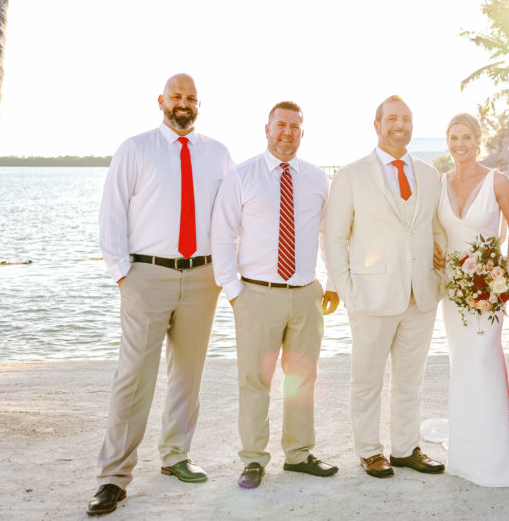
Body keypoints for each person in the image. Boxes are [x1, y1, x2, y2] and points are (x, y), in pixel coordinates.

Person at [89, 74, 233, 516]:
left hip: (202, 275)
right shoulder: (135, 149)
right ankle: (113, 476)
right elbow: (112, 212)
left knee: (187, 374)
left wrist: (227, 273)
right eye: (176, 96)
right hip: (147, 276)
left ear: (198, 104)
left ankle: (175, 456)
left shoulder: (218, 153)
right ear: (162, 101)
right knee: (134, 378)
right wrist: (121, 274)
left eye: (191, 98)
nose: (183, 103)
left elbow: (229, 217)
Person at [210, 101, 342, 490]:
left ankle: (299, 454)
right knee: (255, 379)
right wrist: (233, 291)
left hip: (306, 295)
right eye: (281, 125)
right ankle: (253, 459)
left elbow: (327, 234)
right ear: (267, 128)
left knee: (302, 377)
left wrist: (332, 282)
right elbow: (222, 234)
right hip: (256, 294)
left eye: (295, 127)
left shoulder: (318, 178)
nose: (288, 132)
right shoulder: (242, 176)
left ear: (303, 132)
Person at [325, 95, 447, 479]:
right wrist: (347, 290)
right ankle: (368, 450)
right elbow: (334, 237)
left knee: (411, 379)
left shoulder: (429, 175)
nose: (401, 125)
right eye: (393, 118)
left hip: (420, 294)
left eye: (407, 119)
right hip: (371, 295)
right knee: (367, 380)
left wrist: (439, 275)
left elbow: (436, 229)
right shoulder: (350, 175)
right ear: (376, 125)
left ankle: (406, 448)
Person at [422, 113, 509, 487]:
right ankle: (466, 453)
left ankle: (493, 455)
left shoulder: (496, 181)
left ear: (478, 140)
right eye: (453, 137)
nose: (459, 144)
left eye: (466, 137)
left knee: (484, 360)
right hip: (453, 290)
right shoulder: (440, 183)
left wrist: (504, 272)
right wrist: (437, 249)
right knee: (463, 364)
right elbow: (437, 229)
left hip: (488, 288)